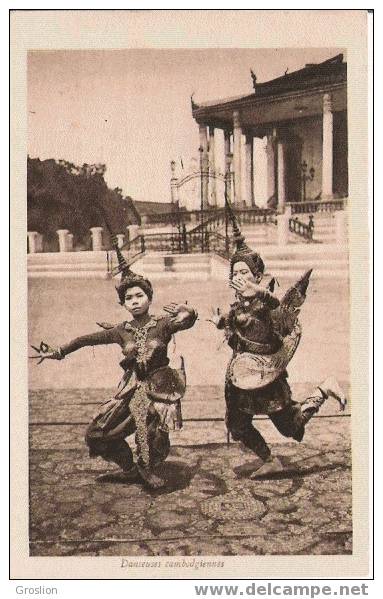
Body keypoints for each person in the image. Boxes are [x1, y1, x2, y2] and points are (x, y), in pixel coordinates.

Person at [31, 247, 197, 489]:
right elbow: (84, 340)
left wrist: (189, 312)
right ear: (123, 303)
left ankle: (146, 469)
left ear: (149, 298)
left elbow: (187, 322)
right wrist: (59, 352)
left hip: (160, 389)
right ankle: (130, 469)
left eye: (139, 296)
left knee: (150, 431)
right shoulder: (121, 330)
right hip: (132, 388)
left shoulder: (162, 325)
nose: (135, 301)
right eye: (129, 298)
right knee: (97, 434)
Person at [209, 213, 347, 477]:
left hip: (267, 375)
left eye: (245, 272)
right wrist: (220, 322)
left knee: (290, 427)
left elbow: (280, 313)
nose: (239, 277)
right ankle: (269, 459)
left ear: (257, 274)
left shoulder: (264, 299)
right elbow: (236, 323)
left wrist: (260, 292)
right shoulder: (239, 304)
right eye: (235, 272)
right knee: (236, 425)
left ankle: (324, 388)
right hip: (241, 376)